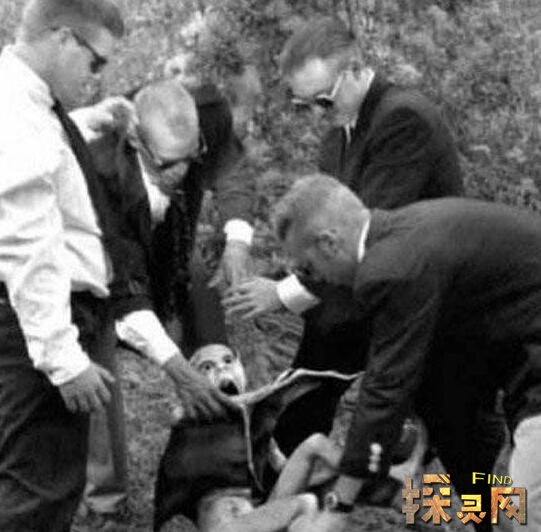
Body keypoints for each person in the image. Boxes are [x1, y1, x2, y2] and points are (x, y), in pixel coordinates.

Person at [0, 2, 232, 530]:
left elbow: (44, 155)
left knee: (43, 480)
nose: (99, 77)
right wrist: (63, 359)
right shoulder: (20, 118)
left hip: (55, 318)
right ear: (62, 38)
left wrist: (84, 121)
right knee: (38, 489)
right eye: (96, 62)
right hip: (37, 327)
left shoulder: (33, 106)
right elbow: (26, 245)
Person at [224, 14, 464, 455]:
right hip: (367, 292)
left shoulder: (402, 119)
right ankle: (285, 467)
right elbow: (328, 238)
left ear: (355, 69)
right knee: (311, 381)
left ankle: (483, 493)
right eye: (306, 105)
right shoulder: (338, 138)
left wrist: (284, 292)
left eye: (324, 99)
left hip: (427, 299)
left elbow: (362, 235)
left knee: (458, 432)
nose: (319, 113)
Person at [271, 174, 541, 532]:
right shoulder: (410, 237)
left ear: (328, 243)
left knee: (528, 517)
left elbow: (386, 388)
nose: (317, 280)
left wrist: (339, 505)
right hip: (517, 372)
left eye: (308, 268)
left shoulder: (391, 270)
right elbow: (436, 386)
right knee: (509, 509)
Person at [81, 76, 255, 519]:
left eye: (190, 158)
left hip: (174, 237)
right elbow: (124, 289)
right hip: (105, 256)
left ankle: (227, 453)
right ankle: (106, 499)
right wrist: (174, 367)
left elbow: (231, 168)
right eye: (167, 164)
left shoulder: (206, 113)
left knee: (201, 294)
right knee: (95, 352)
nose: (180, 173)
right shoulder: (99, 172)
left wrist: (237, 239)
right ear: (135, 140)